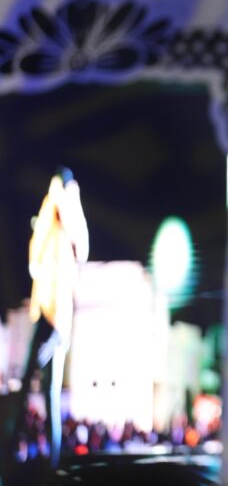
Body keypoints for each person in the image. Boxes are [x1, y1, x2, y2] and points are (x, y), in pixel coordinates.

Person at [16, 168, 90, 472]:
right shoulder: (52, 221)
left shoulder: (70, 222)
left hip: (56, 320)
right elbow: (34, 256)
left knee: (37, 385)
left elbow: (80, 247)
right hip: (49, 315)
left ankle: (42, 456)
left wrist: (64, 197)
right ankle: (45, 458)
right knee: (43, 389)